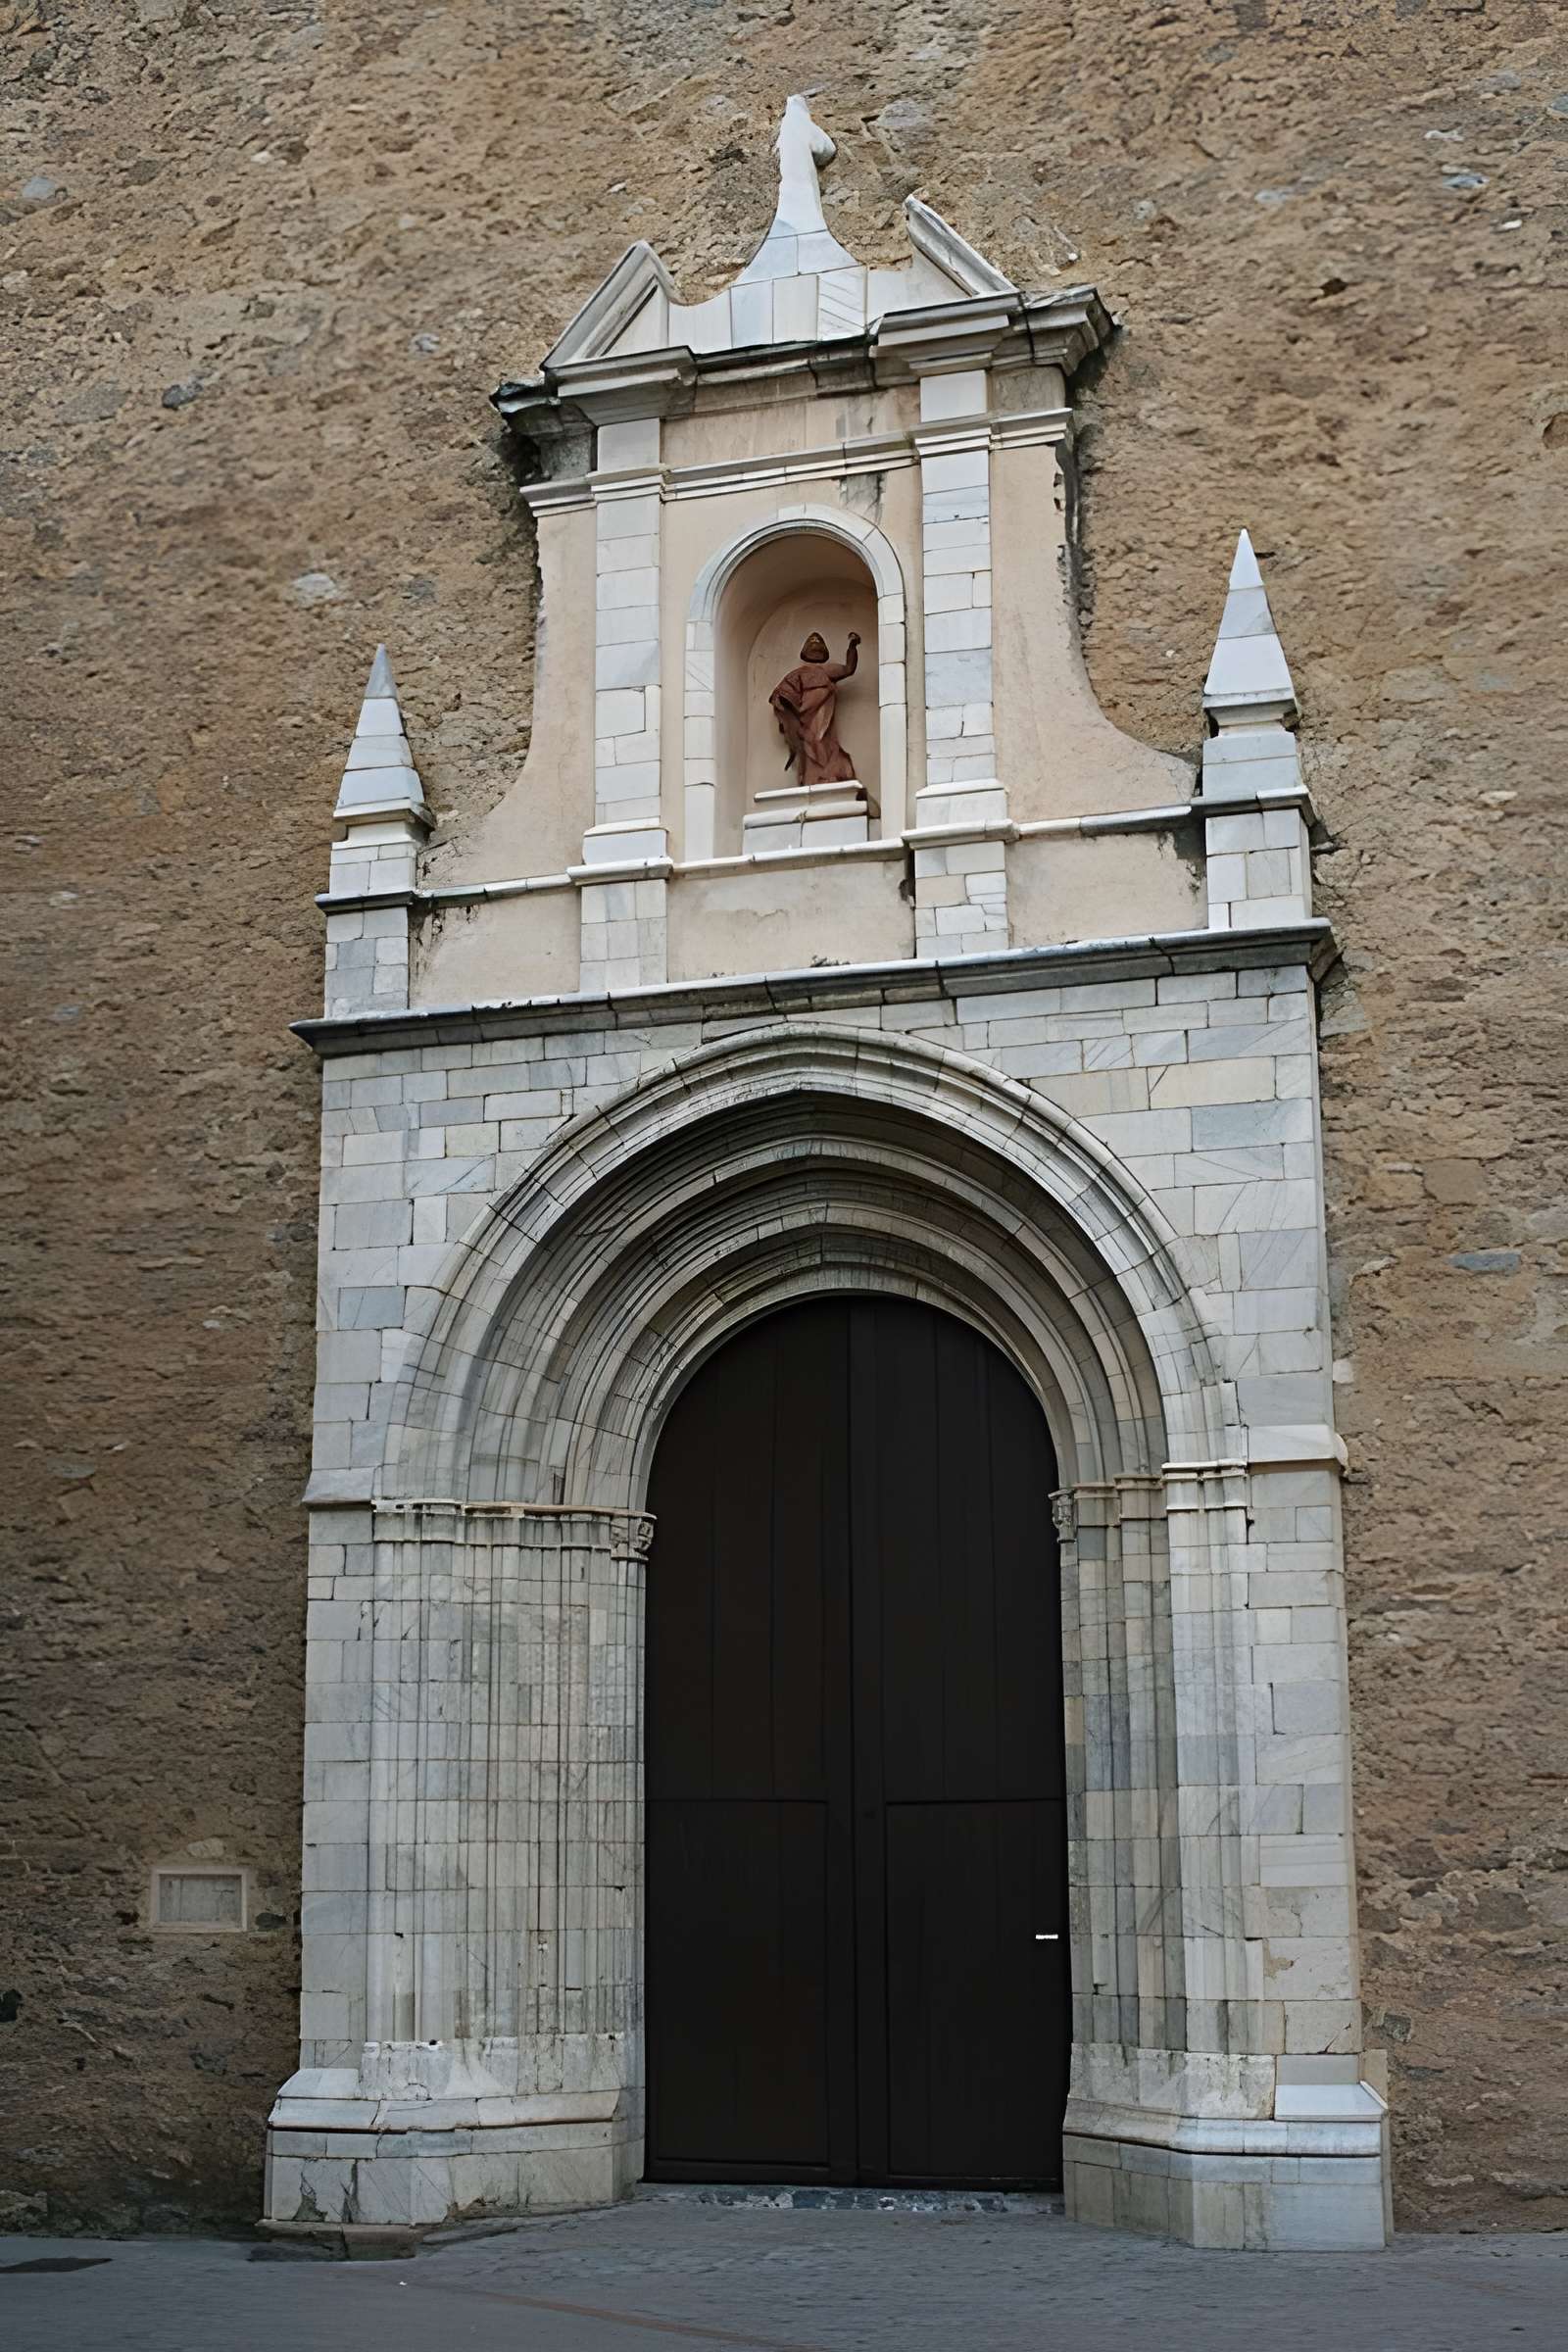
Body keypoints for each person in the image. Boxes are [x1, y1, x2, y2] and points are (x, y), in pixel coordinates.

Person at [769, 630, 860, 789]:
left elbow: (848, 668)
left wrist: (852, 647)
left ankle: (829, 776)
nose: (815, 646)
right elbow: (781, 695)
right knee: (810, 743)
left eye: (818, 643)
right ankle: (812, 778)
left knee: (825, 743)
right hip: (806, 717)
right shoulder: (797, 675)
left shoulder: (826, 671)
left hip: (823, 715)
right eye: (812, 643)